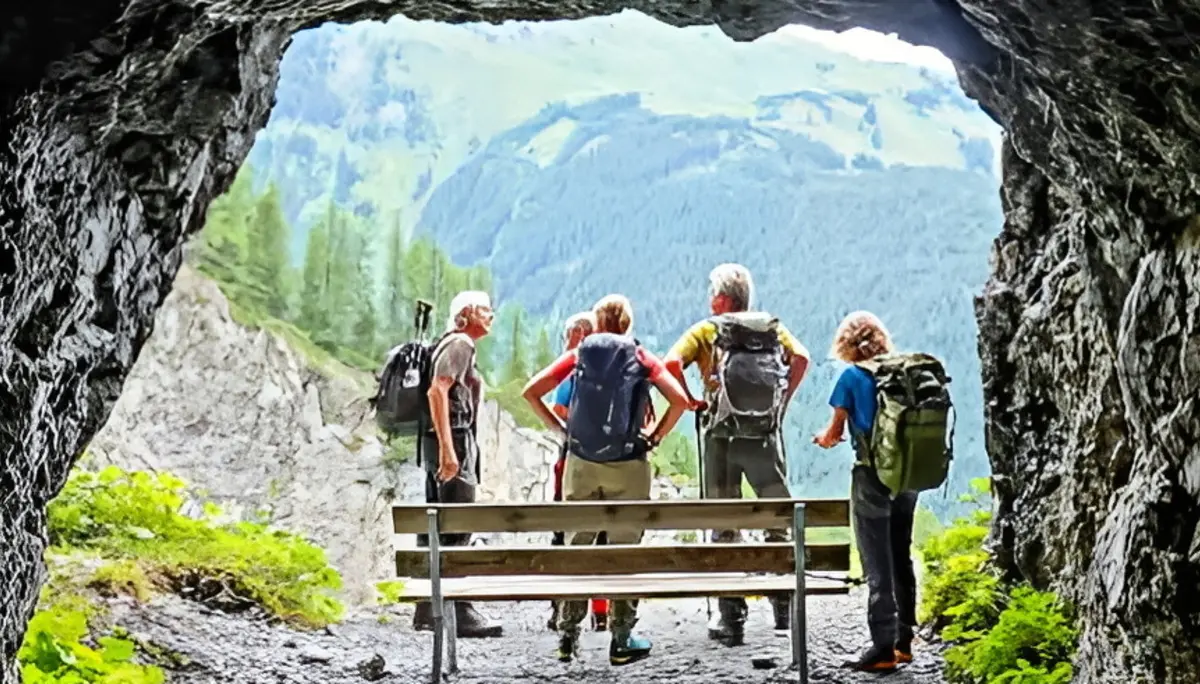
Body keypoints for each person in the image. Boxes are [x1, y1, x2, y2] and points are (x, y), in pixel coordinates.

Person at [522, 294, 690, 666]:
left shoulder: (580, 354)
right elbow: (679, 400)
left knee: (577, 547)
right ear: (627, 324)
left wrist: (561, 431)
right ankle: (622, 637)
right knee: (625, 550)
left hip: (581, 462)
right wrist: (656, 436)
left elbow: (531, 391)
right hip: (630, 463)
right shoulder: (641, 356)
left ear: (597, 325)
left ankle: (567, 637)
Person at [662, 263, 810, 646]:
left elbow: (670, 364)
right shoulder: (772, 329)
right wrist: (781, 405)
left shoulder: (707, 330)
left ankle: (732, 619)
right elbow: (802, 359)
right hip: (764, 436)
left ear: (722, 299)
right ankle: (782, 609)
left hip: (721, 439)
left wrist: (693, 399)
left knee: (724, 522)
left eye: (713, 293)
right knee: (776, 517)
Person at [813, 311, 914, 672]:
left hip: (872, 477)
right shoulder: (901, 373)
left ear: (845, 343)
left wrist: (822, 440)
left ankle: (882, 648)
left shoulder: (851, 377)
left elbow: (834, 432)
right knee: (901, 554)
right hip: (907, 476)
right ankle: (904, 641)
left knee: (877, 562)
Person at [411, 291, 504, 638]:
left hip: (444, 442)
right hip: (453, 441)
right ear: (466, 314)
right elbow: (438, 391)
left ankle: (427, 609)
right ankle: (460, 611)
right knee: (458, 525)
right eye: (484, 310)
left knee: (437, 526)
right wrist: (450, 451)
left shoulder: (452, 342)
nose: (491, 315)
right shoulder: (461, 342)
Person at [545, 311, 610, 633]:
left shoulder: (574, 368)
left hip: (575, 457)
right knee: (604, 536)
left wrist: (570, 429)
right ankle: (602, 611)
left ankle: (563, 611)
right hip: (613, 460)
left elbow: (557, 408)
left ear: (579, 336)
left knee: (567, 532)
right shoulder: (614, 368)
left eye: (568, 337)